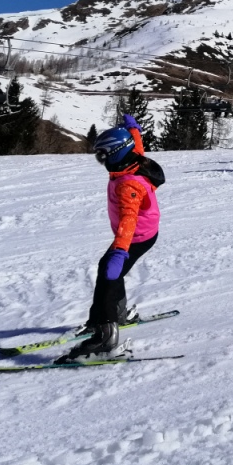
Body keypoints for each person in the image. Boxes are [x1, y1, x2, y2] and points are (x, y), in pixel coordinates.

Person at [57, 114, 163, 363]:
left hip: (136, 236)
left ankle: (105, 338)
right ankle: (117, 314)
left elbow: (129, 218)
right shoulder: (132, 161)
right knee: (111, 272)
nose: (101, 160)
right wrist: (133, 130)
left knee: (108, 275)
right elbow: (136, 146)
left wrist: (120, 250)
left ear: (115, 153)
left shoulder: (128, 184)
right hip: (141, 233)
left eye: (102, 155)